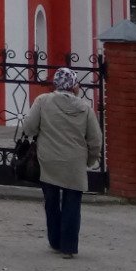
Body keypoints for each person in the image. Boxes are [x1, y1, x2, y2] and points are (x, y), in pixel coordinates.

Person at [19, 67, 103, 258]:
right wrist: (89, 160)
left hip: (48, 160)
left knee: (51, 201)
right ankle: (68, 247)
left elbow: (29, 128)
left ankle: (55, 241)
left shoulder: (43, 101)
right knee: (72, 203)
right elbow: (95, 140)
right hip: (75, 163)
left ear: (56, 84)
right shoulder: (85, 108)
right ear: (73, 85)